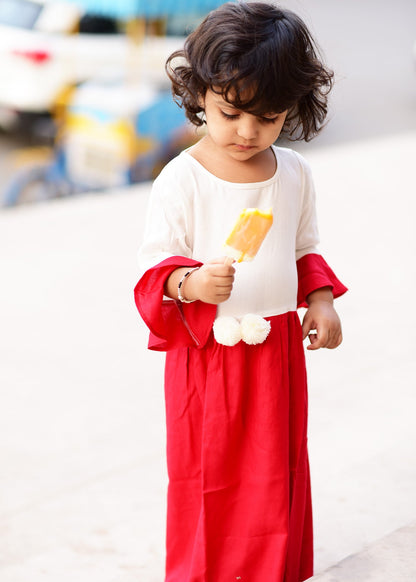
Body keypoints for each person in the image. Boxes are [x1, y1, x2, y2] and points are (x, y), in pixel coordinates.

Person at [134, 2, 347, 581]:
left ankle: (271, 569)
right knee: (208, 473)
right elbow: (155, 271)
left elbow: (305, 249)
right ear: (200, 94)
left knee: (276, 471)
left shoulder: (294, 174)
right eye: (231, 113)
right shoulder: (183, 178)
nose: (249, 132)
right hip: (208, 358)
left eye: (270, 117)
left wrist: (321, 300)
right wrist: (193, 281)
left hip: (275, 349)